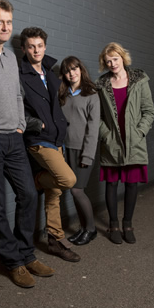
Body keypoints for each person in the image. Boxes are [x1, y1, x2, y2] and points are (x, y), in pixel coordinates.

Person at [0, 0, 54, 289]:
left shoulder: (10, 57)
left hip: (15, 139)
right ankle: (12, 261)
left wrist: (21, 125)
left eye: (9, 22)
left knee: (29, 195)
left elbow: (18, 95)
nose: (6, 27)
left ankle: (25, 253)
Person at [19, 27, 80, 263]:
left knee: (54, 191)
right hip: (38, 139)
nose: (36, 50)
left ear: (45, 47)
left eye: (40, 45)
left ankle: (55, 239)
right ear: (24, 48)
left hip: (57, 139)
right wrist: (39, 125)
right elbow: (17, 110)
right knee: (68, 179)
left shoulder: (51, 72)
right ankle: (36, 181)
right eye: (31, 46)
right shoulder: (20, 75)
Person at [96, 42, 154, 244]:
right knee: (111, 184)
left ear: (123, 57)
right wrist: (106, 135)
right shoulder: (102, 84)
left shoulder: (139, 80)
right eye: (108, 60)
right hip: (112, 142)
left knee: (131, 184)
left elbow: (149, 111)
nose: (112, 63)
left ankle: (127, 223)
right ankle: (113, 224)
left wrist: (139, 132)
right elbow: (98, 116)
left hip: (134, 141)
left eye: (115, 58)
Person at [59, 56, 100, 245]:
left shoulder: (91, 94)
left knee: (77, 191)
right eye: (68, 71)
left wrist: (88, 155)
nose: (72, 73)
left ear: (81, 70)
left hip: (83, 150)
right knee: (73, 190)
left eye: (75, 69)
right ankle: (84, 228)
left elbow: (93, 128)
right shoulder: (64, 94)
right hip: (66, 149)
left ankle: (91, 229)